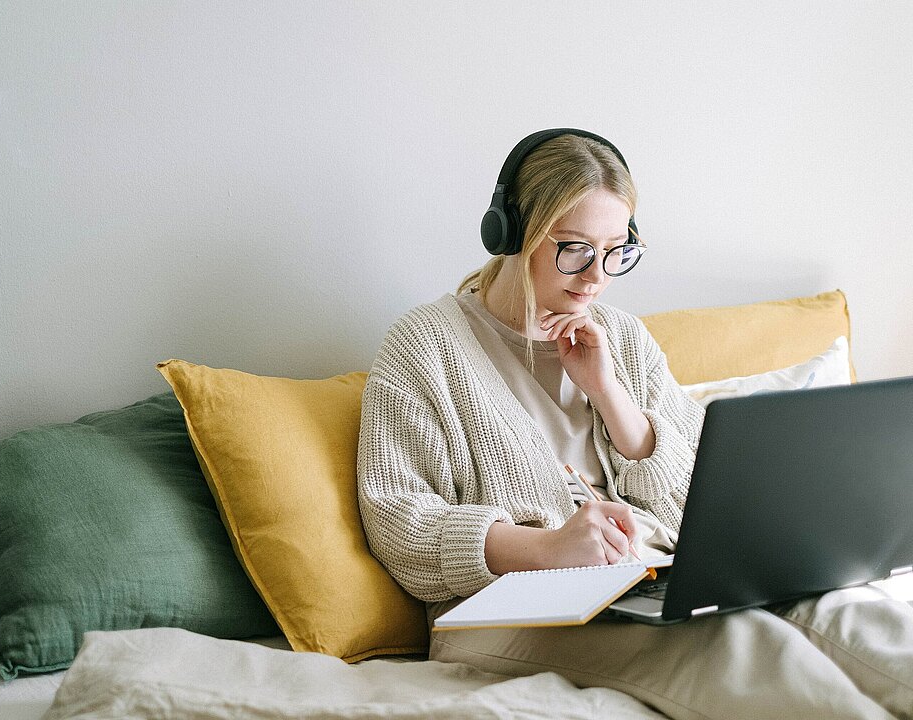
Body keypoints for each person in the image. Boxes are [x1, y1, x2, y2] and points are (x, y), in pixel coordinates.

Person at [356, 129, 913, 720]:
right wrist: (547, 548)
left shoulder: (620, 337)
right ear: (511, 234)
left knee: (853, 616)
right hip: (504, 610)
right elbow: (397, 519)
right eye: (573, 248)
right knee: (750, 653)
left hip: (655, 578)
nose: (595, 276)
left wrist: (609, 393)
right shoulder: (424, 347)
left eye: (615, 250)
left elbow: (701, 492)